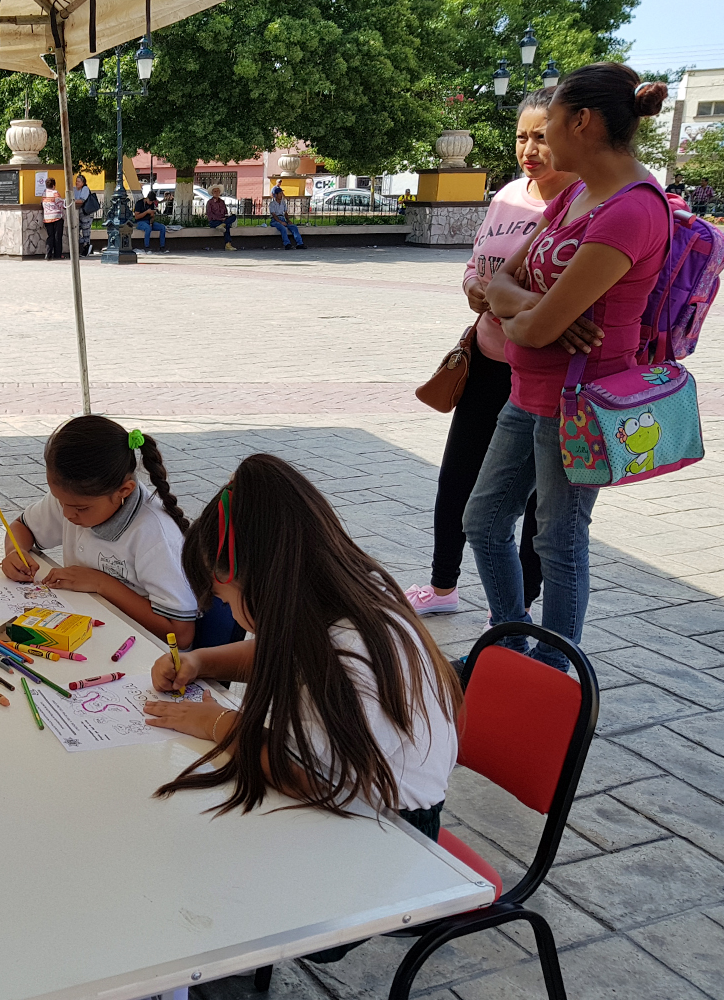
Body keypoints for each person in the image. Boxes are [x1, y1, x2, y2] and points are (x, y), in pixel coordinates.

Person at [142, 454, 460, 965]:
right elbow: (277, 653)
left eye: (225, 597)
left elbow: (310, 778)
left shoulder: (348, 655)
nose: (228, 611)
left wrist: (219, 723)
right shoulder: (337, 596)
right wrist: (202, 661)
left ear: (261, 582)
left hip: (389, 833)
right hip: (357, 799)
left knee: (195, 865)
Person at [470, 64, 671, 670]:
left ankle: (554, 670)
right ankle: (509, 646)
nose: (541, 135)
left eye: (551, 119)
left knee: (558, 538)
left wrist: (522, 313)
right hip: (527, 390)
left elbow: (529, 325)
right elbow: (499, 280)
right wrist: (531, 306)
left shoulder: (631, 211)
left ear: (580, 121)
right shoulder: (573, 196)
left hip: (581, 401)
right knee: (484, 521)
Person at [405, 88, 572, 619]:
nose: (529, 149)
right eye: (522, 137)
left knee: (536, 501)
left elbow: (570, 301)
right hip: (487, 358)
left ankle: (522, 608)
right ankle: (443, 586)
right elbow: (478, 263)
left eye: (542, 136)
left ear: (571, 133)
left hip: (544, 372)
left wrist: (505, 296)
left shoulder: (581, 204)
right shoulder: (508, 196)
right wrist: (475, 288)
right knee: (457, 478)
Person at [1, 415, 198, 647]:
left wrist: (101, 584)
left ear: (124, 491)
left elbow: (181, 635)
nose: (67, 514)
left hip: (140, 651)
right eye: (60, 502)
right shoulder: (74, 497)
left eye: (80, 508)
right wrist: (15, 551)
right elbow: (21, 527)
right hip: (88, 631)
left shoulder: (154, 536)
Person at [205, 185, 237, 251]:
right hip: (214, 221)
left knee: (233, 216)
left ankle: (223, 225)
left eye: (218, 191)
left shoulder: (222, 202)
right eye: (215, 191)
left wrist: (225, 217)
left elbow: (225, 212)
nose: (217, 193)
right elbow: (210, 215)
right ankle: (228, 244)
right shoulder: (210, 202)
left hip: (223, 221)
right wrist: (220, 219)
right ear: (212, 193)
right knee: (227, 226)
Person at [41, 176, 66, 260]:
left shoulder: (44, 193)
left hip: (47, 218)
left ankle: (48, 254)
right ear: (54, 185)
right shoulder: (55, 193)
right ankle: (57, 254)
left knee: (50, 236)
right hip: (57, 217)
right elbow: (61, 204)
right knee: (57, 236)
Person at [73, 174, 96, 256]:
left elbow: (81, 200)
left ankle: (86, 246)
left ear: (83, 183)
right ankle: (86, 244)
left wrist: (72, 201)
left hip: (85, 213)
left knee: (85, 230)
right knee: (76, 230)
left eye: (79, 181)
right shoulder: (74, 189)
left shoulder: (85, 189)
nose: (77, 183)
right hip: (77, 213)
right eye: (76, 181)